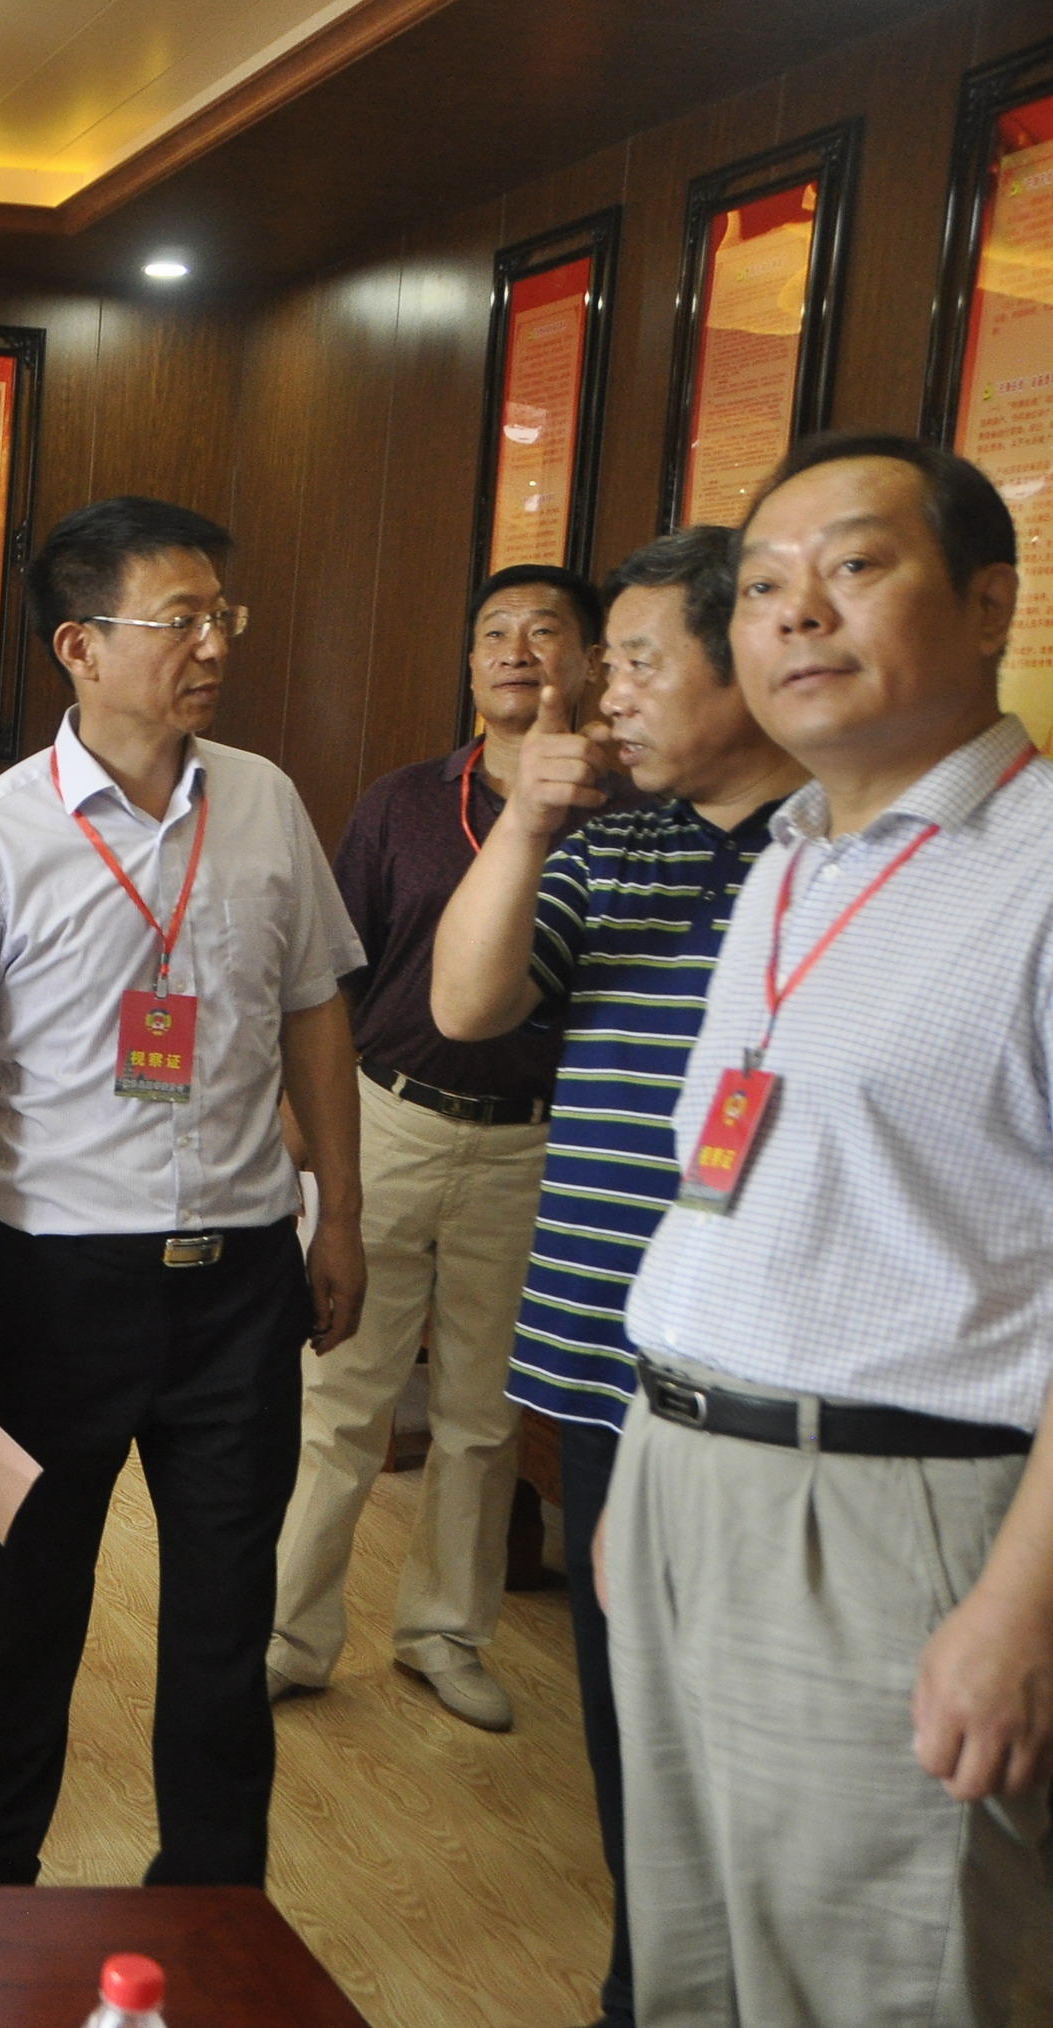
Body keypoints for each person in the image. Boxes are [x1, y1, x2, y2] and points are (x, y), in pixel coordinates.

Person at [604, 435, 1053, 2023]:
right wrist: (650, 1467)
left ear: (987, 603)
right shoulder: (791, 862)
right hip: (685, 1480)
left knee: (878, 1982)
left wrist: (1018, 1607)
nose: (794, 612)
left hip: (899, 1518)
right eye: (760, 585)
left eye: (852, 568)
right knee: (693, 1971)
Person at [0, 495, 366, 1889]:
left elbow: (316, 1012)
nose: (213, 645)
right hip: (54, 1288)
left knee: (224, 1613)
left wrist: (339, 1215)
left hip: (241, 1282)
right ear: (79, 646)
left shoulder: (263, 801)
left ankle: (213, 1892)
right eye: (180, 619)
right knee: (29, 1599)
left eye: (222, 616)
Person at [430, 527, 805, 2028]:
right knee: (628, 1722)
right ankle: (650, 1987)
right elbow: (465, 1005)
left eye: (638, 662)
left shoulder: (841, 855)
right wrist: (525, 822)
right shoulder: (611, 844)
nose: (602, 695)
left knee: (768, 1738)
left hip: (768, 1385)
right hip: (599, 1361)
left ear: (749, 661)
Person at [269, 564, 606, 1733]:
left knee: (481, 1413)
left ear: (590, 663)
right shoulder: (403, 802)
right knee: (339, 1396)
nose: (516, 649)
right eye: (494, 632)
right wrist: (305, 1129)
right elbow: (331, 976)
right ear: (469, 666)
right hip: (389, 1120)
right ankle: (287, 1637)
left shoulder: (621, 815)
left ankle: (444, 1636)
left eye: (544, 631)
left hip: (534, 1151)